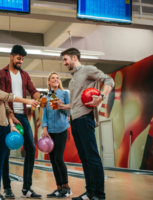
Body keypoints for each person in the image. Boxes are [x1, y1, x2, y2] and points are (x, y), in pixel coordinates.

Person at [0, 64, 39, 200]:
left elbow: (8, 110)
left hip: (4, 128)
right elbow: (6, 96)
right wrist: (27, 100)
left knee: (0, 163)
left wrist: (11, 125)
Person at [58, 48, 114, 200]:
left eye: (65, 59)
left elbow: (109, 80)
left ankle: (99, 195)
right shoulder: (72, 80)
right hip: (75, 121)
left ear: (74, 57)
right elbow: (75, 104)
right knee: (84, 158)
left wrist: (102, 96)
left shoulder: (88, 70)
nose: (64, 63)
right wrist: (62, 106)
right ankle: (90, 192)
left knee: (92, 157)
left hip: (85, 119)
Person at [0, 45, 43, 199]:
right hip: (8, 115)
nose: (21, 61)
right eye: (18, 58)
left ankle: (27, 188)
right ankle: (7, 188)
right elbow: (4, 96)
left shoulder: (25, 75)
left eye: (23, 59)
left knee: (31, 148)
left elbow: (33, 91)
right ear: (11, 56)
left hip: (23, 115)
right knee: (6, 152)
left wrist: (41, 97)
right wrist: (9, 115)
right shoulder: (2, 74)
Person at [41, 72, 72, 198]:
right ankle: (59, 188)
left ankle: (66, 188)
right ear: (48, 82)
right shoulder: (45, 97)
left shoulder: (65, 94)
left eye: (57, 78)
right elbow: (44, 115)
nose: (56, 79)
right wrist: (44, 129)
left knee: (59, 159)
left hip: (61, 130)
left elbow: (69, 112)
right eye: (53, 78)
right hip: (50, 132)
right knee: (53, 161)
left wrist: (61, 106)